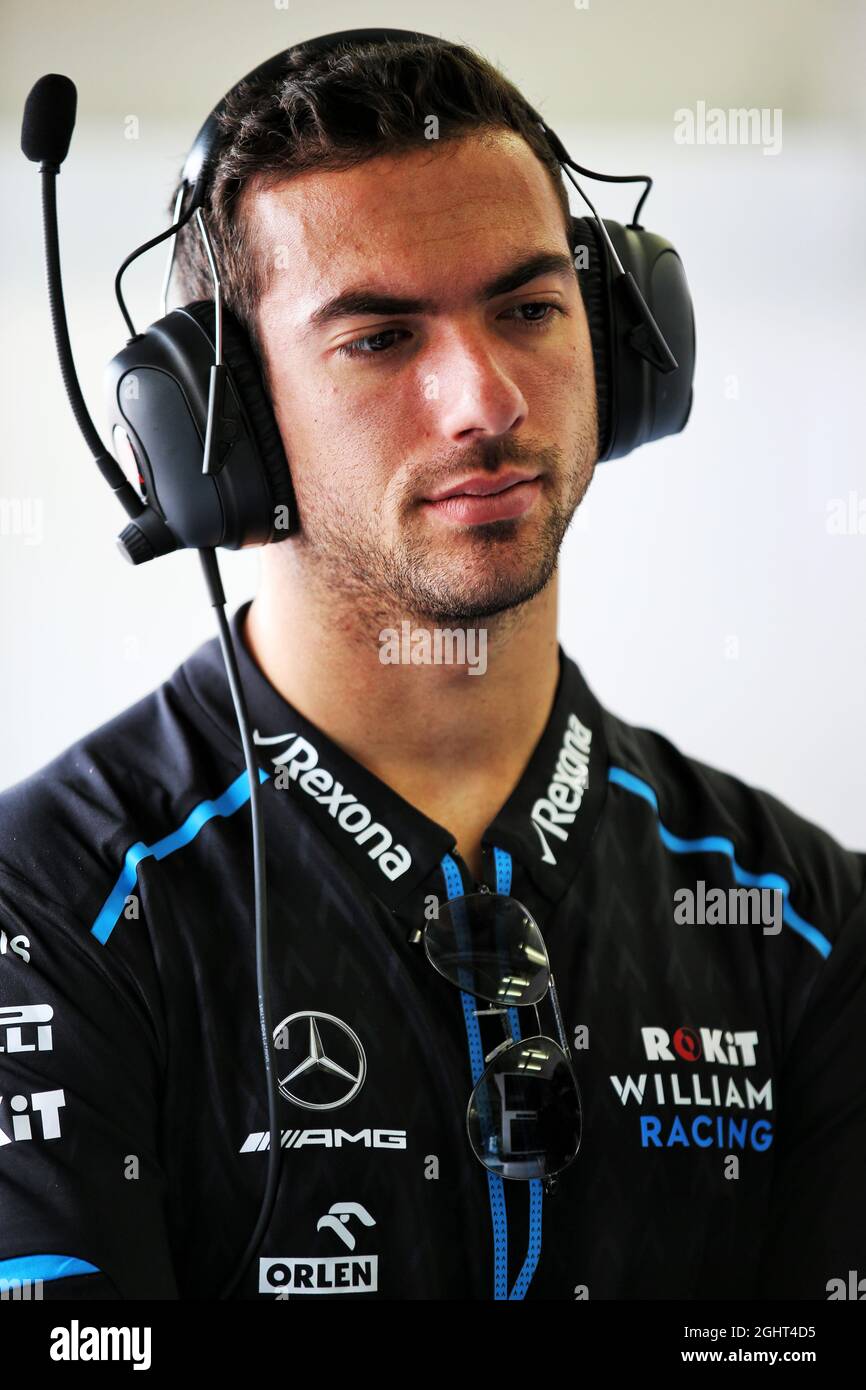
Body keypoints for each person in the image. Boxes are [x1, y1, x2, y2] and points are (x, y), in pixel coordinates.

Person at [0, 33, 863, 1303]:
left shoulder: (803, 915)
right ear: (221, 432)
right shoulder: (47, 911)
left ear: (620, 346)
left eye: (525, 309)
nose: (483, 400)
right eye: (380, 337)